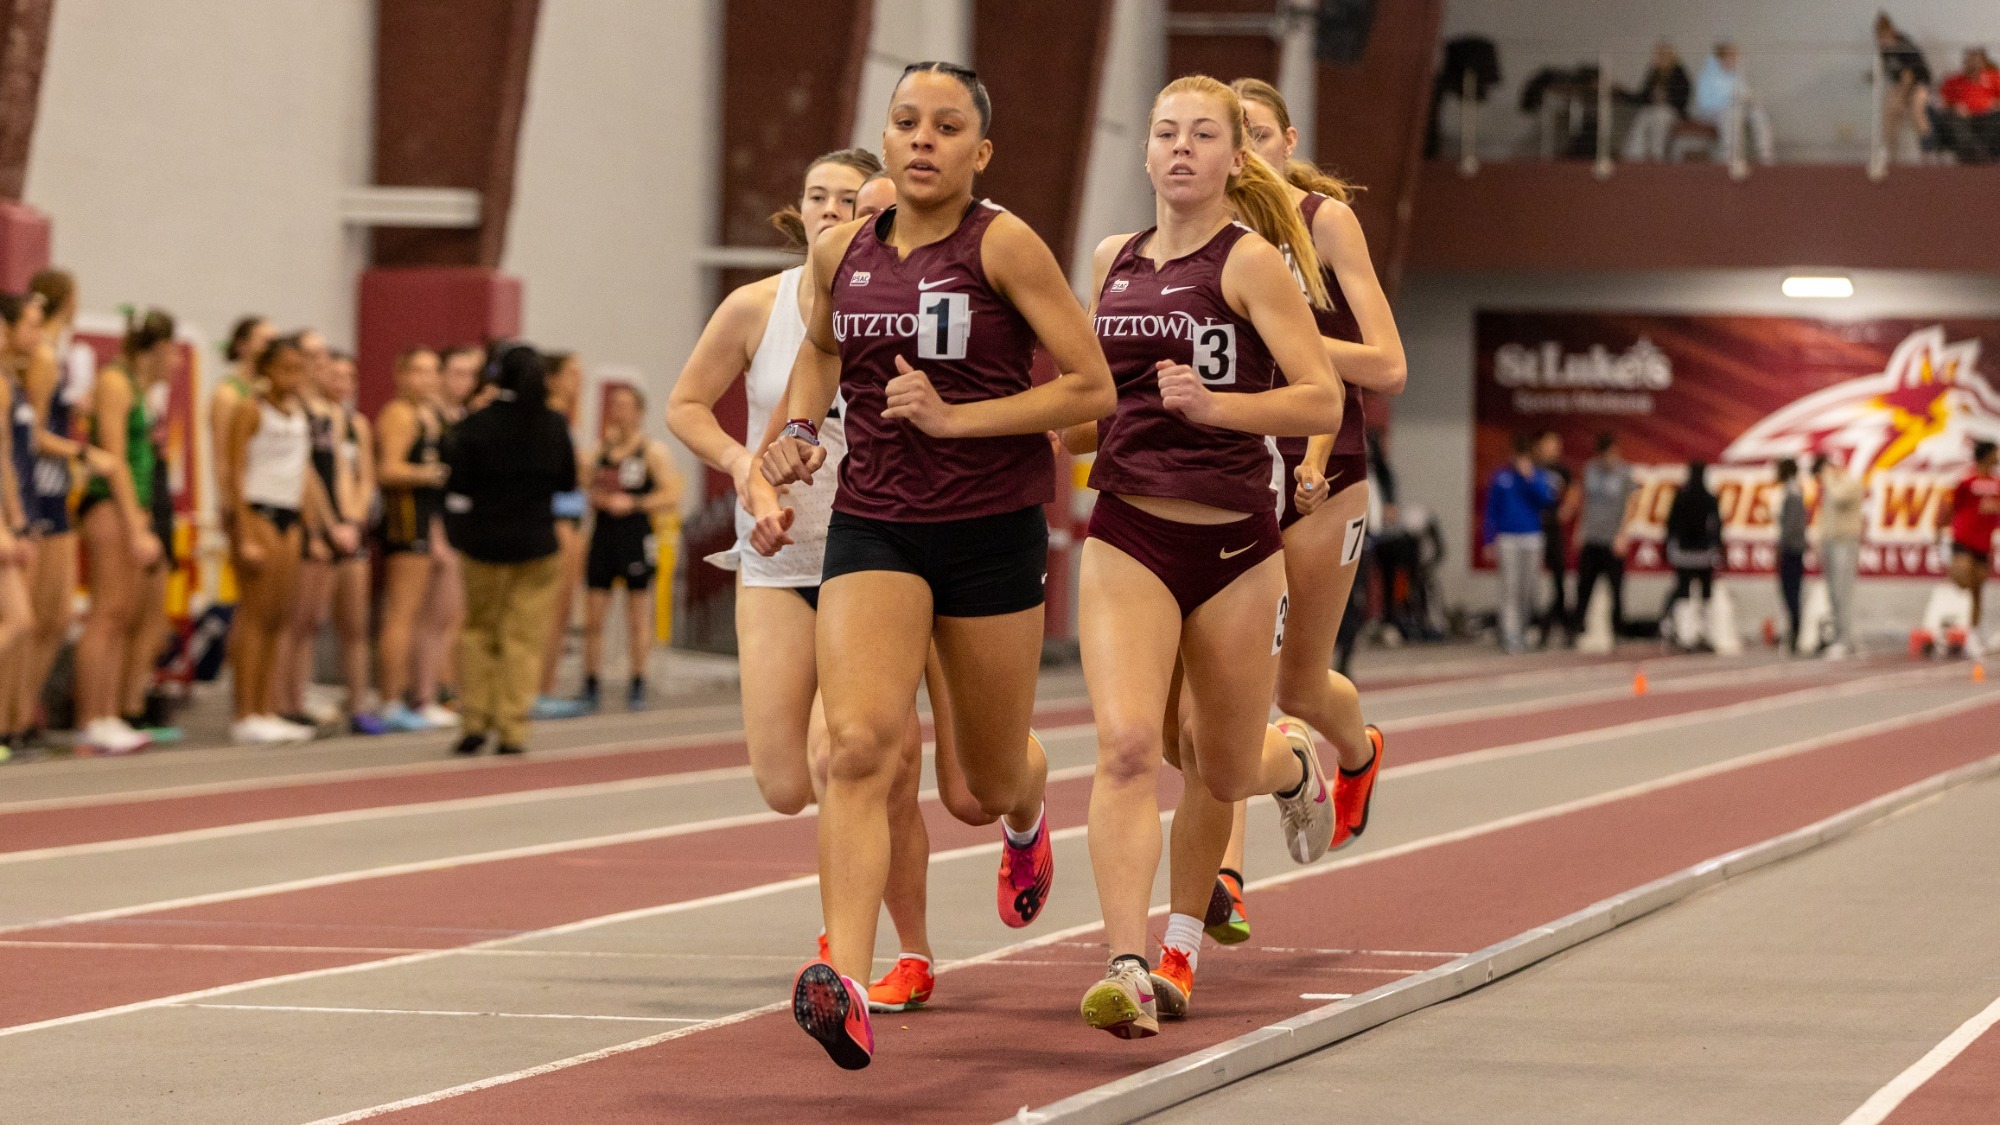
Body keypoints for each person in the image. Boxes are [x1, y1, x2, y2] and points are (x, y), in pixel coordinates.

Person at [760, 61, 1117, 1068]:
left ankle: (1023, 812)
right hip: (875, 522)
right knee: (858, 744)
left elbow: (1091, 390)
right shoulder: (843, 252)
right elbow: (824, 352)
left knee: (978, 781)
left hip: (989, 526)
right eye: (905, 122)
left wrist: (960, 421)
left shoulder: (1002, 244)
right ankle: (845, 976)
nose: (922, 140)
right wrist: (797, 426)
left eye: (945, 126)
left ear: (978, 151)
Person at [673, 147, 992, 1016]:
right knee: (785, 781)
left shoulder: (912, 298)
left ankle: (881, 949)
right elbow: (687, 404)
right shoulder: (758, 304)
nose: (828, 212)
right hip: (776, 558)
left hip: (882, 553)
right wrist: (748, 469)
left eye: (848, 200)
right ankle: (856, 929)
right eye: (815, 196)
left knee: (867, 763)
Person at [1060, 74, 1345, 1039]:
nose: (1180, 148)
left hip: (1233, 542)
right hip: (1130, 532)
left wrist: (1219, 408)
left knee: (1219, 765)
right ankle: (1132, 961)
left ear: (1233, 158)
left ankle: (1294, 765)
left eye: (1202, 136)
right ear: (1144, 153)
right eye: (1165, 132)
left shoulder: (1253, 262)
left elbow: (1322, 401)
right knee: (1130, 745)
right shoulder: (1112, 260)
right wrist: (1062, 425)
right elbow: (1089, 392)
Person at [1179, 77, 1404, 950]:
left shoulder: (1323, 222)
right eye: (1228, 137)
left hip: (1326, 469)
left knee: (1296, 685)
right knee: (1224, 692)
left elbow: (1386, 364)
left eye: (1257, 135)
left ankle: (1355, 750)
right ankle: (1224, 878)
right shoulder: (1199, 236)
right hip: (1233, 469)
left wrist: (1292, 339)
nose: (1244, 154)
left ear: (1284, 139)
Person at [440, 342, 577, 756]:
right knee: (523, 638)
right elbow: (567, 482)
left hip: (481, 543)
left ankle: (474, 721)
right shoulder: (553, 424)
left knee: (479, 631)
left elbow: (456, 485)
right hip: (536, 543)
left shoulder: (474, 425)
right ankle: (512, 726)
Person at [13, 271, 112, 755]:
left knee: (54, 618)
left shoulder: (58, 355)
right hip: (39, 489)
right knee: (31, 616)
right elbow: (33, 436)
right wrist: (83, 453)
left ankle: (24, 711)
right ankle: (13, 717)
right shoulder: (46, 358)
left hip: (55, 494)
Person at [72, 309, 170, 754]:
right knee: (106, 612)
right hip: (109, 505)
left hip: (133, 506)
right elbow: (112, 457)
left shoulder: (140, 388)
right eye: (173, 354)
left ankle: (109, 712)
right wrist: (134, 524)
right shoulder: (114, 383)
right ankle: (90, 716)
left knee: (123, 615)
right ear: (159, 348)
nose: (179, 363)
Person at [222, 335, 325, 744]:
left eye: (300, 369)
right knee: (256, 614)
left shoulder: (300, 412)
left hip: (289, 515)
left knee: (281, 615)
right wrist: (242, 533)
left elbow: (301, 472)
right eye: (286, 369)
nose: (294, 377)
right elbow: (233, 472)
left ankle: (266, 706)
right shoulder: (250, 410)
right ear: (266, 370)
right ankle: (244, 711)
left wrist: (310, 525)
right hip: (258, 512)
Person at [275, 345, 383, 734]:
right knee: (303, 621)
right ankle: (290, 701)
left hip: (348, 529)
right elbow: (312, 475)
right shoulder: (305, 414)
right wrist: (327, 525)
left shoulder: (352, 422)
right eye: (331, 373)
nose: (341, 382)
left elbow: (358, 475)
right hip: (317, 530)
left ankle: (359, 705)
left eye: (348, 377)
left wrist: (353, 520)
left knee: (356, 625)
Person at [575, 384, 679, 710]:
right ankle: (591, 682)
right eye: (615, 405)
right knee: (593, 617)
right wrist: (596, 491)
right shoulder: (600, 450)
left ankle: (638, 681)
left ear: (638, 412)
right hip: (603, 537)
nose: (618, 411)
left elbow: (672, 495)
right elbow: (582, 485)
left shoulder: (651, 451)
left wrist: (633, 503)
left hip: (635, 537)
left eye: (625, 406)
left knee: (637, 617)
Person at [373, 346, 449, 730]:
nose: (425, 379)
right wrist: (430, 474)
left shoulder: (431, 414)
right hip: (405, 521)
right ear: (400, 375)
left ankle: (421, 695)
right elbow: (387, 469)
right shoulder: (399, 414)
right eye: (417, 371)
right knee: (402, 612)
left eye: (432, 371)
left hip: (430, 520)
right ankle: (389, 698)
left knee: (426, 615)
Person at [414, 345, 482, 727]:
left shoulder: (463, 417)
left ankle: (447, 686)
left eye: (471, 374)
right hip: (433, 524)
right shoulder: (429, 418)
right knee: (432, 617)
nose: (464, 382)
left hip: (461, 525)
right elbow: (434, 485)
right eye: (456, 372)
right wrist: (437, 534)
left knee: (455, 616)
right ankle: (427, 691)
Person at [531, 351, 591, 718]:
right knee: (552, 608)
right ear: (550, 378)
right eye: (570, 373)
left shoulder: (567, 418)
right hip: (557, 519)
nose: (578, 381)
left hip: (573, 516)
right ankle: (538, 687)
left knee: (563, 609)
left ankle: (546, 685)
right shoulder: (548, 419)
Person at [0, 292, 42, 760]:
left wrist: (15, 516)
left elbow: (6, 458)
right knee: (18, 619)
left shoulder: (6, 381)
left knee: (21, 620)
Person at [1483, 432, 1558, 653]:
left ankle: (1523, 630)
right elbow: (1491, 511)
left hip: (1532, 538)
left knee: (1529, 591)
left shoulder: (1538, 476)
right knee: (1510, 589)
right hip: (1507, 539)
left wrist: (1530, 478)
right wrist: (1489, 539)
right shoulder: (1501, 477)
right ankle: (1510, 635)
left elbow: (1547, 500)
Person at [1573, 431, 1639, 638]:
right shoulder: (1590, 469)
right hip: (1592, 536)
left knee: (1616, 588)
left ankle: (1617, 629)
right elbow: (1584, 501)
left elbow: (1632, 505)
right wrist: (1579, 529)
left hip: (1612, 538)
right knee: (1584, 585)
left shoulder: (1624, 473)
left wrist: (1623, 534)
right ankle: (1577, 627)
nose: (1607, 460)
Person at [1937, 441, 1999, 658]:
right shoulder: (1966, 481)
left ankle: (1972, 635)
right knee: (1964, 580)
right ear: (1985, 456)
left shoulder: (1997, 483)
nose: (1998, 457)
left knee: (1978, 591)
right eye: (1995, 453)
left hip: (1983, 543)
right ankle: (1952, 625)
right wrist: (1940, 533)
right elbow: (1948, 507)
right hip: (1963, 538)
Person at [1661, 459, 1723, 647]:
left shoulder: (1681, 497)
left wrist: (1667, 548)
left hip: (1684, 553)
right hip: (1704, 554)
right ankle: (1705, 634)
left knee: (1683, 593)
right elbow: (1717, 526)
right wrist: (1718, 548)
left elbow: (1670, 525)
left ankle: (1685, 634)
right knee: (1705, 595)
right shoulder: (1709, 498)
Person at [1691, 42, 1776, 165]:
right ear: (1721, 56)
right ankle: (1730, 156)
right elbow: (1705, 102)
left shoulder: (1736, 74)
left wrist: (1751, 100)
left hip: (1735, 109)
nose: (1735, 59)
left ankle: (1765, 154)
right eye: (1731, 55)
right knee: (1732, 113)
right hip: (1712, 113)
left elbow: (1744, 93)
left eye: (1735, 56)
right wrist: (1732, 99)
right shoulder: (1708, 74)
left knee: (1758, 112)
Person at [1815, 453, 1865, 658]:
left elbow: (1839, 498)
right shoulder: (1831, 486)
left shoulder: (1850, 484)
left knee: (1842, 592)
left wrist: (1828, 478)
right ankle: (1842, 636)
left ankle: (1843, 639)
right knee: (1832, 594)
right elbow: (1826, 517)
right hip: (1830, 543)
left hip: (1845, 542)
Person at [1534, 430, 1580, 646]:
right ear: (1540, 445)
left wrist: (1567, 509)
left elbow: (1574, 490)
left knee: (1559, 579)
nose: (1556, 447)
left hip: (1552, 529)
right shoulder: (1532, 467)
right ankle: (1537, 625)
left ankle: (1558, 625)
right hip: (1532, 529)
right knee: (1531, 581)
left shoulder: (1561, 469)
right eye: (1551, 443)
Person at [1618, 42, 1692, 161]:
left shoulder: (1679, 73)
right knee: (1642, 116)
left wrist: (1666, 98)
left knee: (1660, 117)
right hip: (1653, 110)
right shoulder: (1653, 74)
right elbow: (1643, 97)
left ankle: (1657, 156)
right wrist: (1621, 92)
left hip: (1671, 112)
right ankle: (1634, 156)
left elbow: (1683, 99)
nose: (1657, 58)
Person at [1874, 14, 1934, 161]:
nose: (1883, 41)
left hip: (1919, 83)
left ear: (1892, 31)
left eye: (1885, 37)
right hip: (1900, 84)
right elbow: (1890, 72)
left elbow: (1908, 76)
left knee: (1917, 111)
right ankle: (1889, 153)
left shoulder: (1904, 44)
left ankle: (1928, 152)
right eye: (1880, 38)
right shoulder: (1884, 49)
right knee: (1889, 113)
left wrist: (1902, 98)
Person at [1936, 48, 2000, 163]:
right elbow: (1940, 102)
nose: (1972, 64)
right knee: (1954, 121)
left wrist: (1995, 104)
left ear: (1983, 63)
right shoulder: (1953, 81)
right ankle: (1981, 159)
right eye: (1969, 60)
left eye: (1976, 61)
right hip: (1964, 118)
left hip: (1988, 117)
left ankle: (1982, 157)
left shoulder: (1994, 78)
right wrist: (1954, 106)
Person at [1775, 458, 1809, 653]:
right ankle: (1793, 630)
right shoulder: (1790, 491)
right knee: (1790, 592)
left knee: (1791, 591)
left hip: (1792, 549)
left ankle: (1796, 631)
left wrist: (1781, 546)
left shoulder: (1792, 492)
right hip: (1793, 547)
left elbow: (1791, 525)